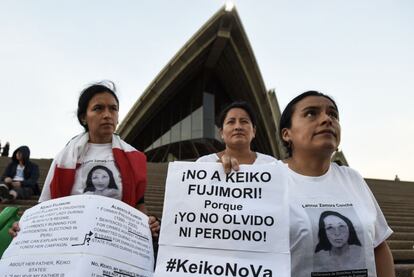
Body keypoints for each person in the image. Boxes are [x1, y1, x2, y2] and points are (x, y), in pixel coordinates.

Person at [279, 91, 414, 277]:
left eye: (332, 114)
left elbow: (379, 244)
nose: (326, 119)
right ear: (286, 133)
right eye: (312, 113)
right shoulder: (269, 179)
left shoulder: (351, 178)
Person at [9, 82, 160, 238]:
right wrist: (25, 227)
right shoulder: (64, 157)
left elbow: (138, 204)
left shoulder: (134, 158)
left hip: (117, 241)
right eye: (98, 108)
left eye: (113, 108)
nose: (107, 115)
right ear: (83, 117)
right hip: (71, 239)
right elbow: (45, 205)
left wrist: (149, 223)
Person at [196, 101, 276, 166]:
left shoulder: (271, 164)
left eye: (244, 121)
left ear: (254, 131)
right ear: (221, 133)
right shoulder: (203, 164)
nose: (238, 127)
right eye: (231, 122)